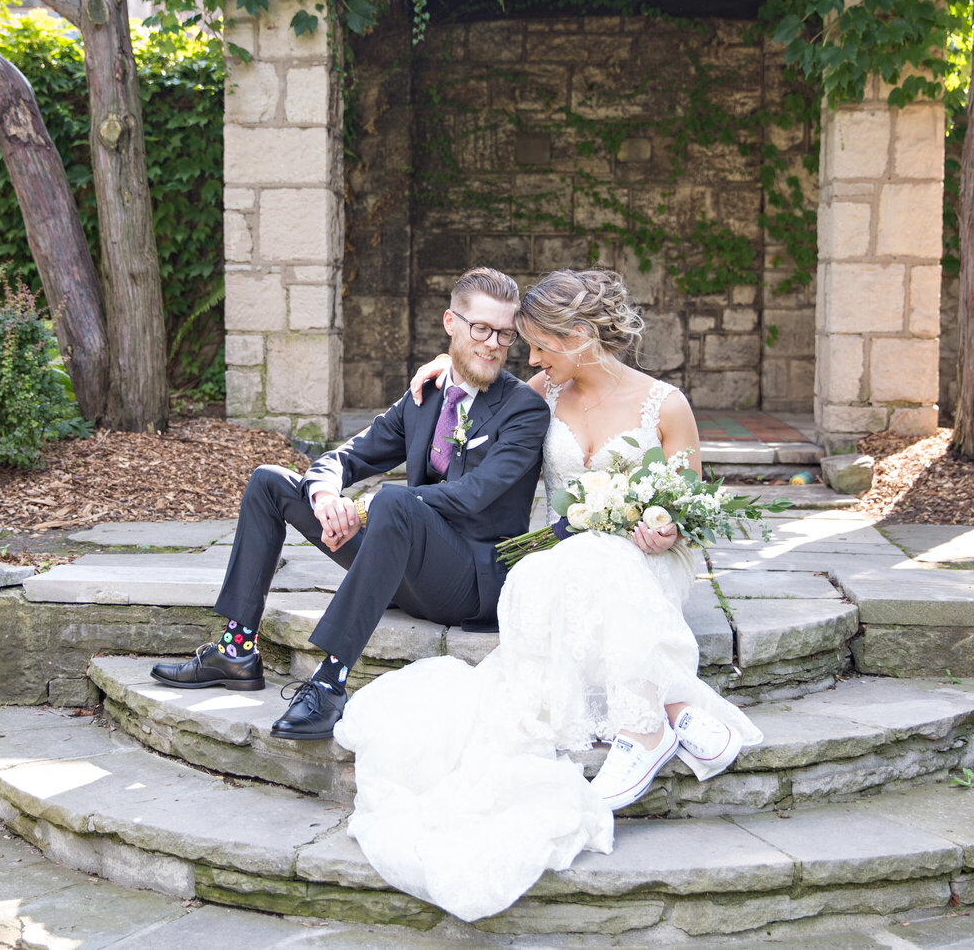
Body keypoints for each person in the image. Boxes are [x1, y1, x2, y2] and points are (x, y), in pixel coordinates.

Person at [332, 268, 762, 921]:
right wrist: (439, 371)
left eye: (540, 344)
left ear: (582, 335)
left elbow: (695, 509)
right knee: (545, 571)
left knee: (602, 559)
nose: (530, 357)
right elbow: (475, 392)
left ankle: (644, 729)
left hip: (652, 563)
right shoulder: (545, 393)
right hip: (571, 561)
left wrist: (667, 523)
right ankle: (675, 711)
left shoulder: (664, 405)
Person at [148, 267, 549, 742]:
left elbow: (475, 493)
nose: (493, 343)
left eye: (504, 333)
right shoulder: (425, 397)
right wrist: (326, 497)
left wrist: (362, 509)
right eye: (481, 328)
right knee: (270, 482)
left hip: (469, 583)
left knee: (394, 502)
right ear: (450, 323)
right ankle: (236, 650)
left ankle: (329, 683)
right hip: (401, 564)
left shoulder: (524, 409)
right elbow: (348, 455)